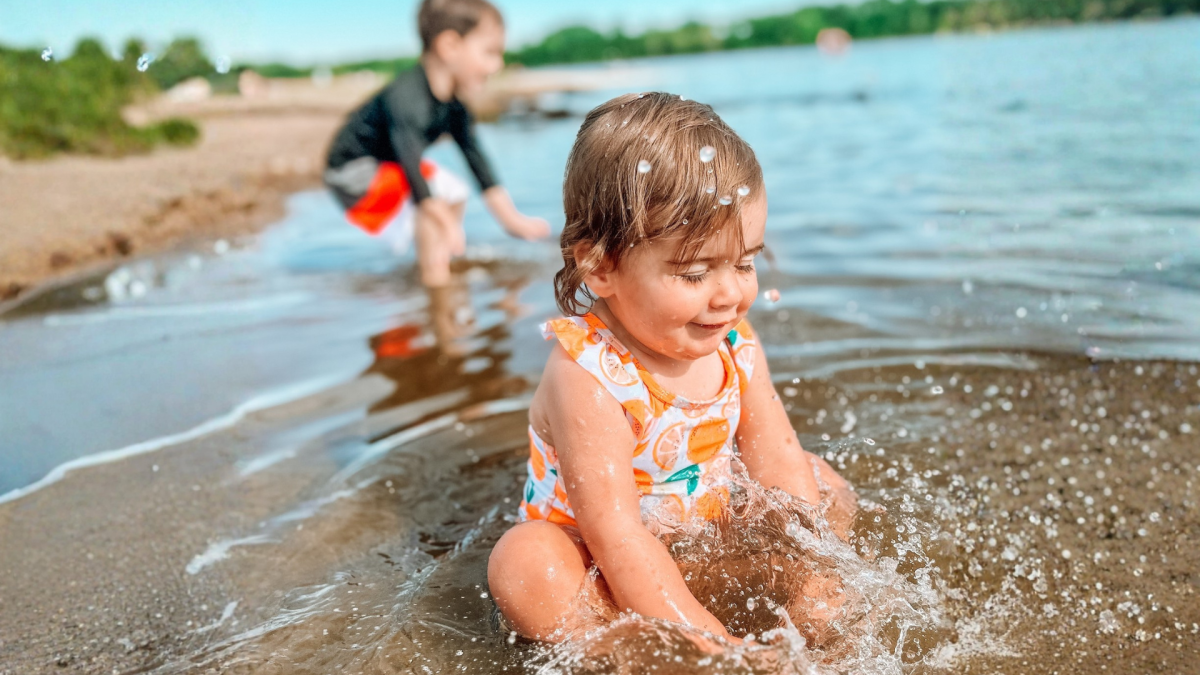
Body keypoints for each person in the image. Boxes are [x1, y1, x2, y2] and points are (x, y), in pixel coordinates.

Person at [487, 92, 857, 643]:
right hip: (606, 567)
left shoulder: (735, 343)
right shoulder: (588, 377)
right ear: (600, 265)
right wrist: (720, 651)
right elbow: (618, 539)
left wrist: (815, 579)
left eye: (745, 262)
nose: (730, 293)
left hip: (700, 537)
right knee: (525, 564)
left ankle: (810, 609)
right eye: (694, 273)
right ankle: (627, 652)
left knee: (821, 481)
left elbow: (777, 461)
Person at [324, 0, 549, 288]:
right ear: (450, 46)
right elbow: (411, 164)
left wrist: (512, 221)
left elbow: (477, 161)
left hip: (386, 166)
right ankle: (435, 278)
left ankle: (435, 267)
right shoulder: (407, 97)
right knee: (440, 192)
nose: (498, 65)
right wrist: (445, 222)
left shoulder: (454, 107)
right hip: (350, 173)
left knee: (454, 192)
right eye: (490, 52)